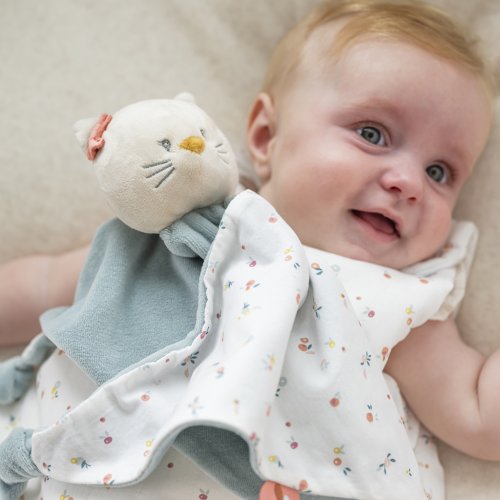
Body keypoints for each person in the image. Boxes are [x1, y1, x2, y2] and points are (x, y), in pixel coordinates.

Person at [0, 0, 497, 498]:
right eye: (372, 134)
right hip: (50, 465)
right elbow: (48, 283)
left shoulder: (399, 302)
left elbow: (479, 414)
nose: (408, 182)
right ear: (265, 136)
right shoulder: (188, 223)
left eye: (439, 172)